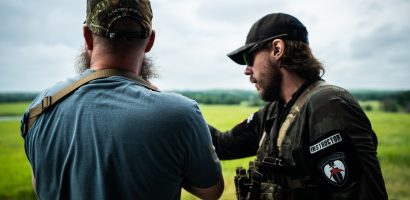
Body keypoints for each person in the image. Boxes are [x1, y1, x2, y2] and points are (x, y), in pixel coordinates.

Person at [20, 0, 224, 199]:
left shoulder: (38, 111)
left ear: (87, 36)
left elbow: (39, 182)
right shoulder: (181, 115)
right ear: (150, 42)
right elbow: (212, 191)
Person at [209, 13, 387, 199]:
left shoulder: (328, 105)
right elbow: (221, 145)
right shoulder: (272, 113)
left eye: (249, 58)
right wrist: (184, 111)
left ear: (277, 49)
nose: (247, 70)